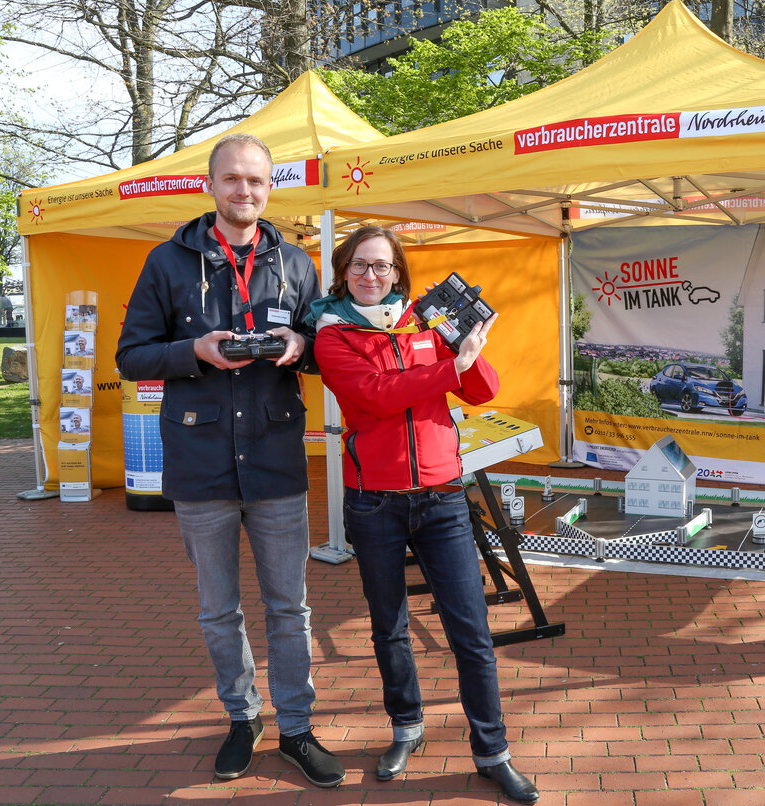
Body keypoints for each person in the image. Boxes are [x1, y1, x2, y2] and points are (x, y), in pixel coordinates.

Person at [115, 133, 344, 788]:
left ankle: (296, 728)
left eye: (257, 182)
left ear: (270, 188)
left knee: (289, 607)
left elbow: (328, 351)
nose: (245, 191)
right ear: (210, 185)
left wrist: (301, 342)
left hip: (275, 461)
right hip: (201, 463)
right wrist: (197, 351)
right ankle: (242, 718)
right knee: (218, 609)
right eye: (233, 180)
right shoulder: (168, 262)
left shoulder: (295, 264)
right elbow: (130, 357)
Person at [312, 226, 539, 804]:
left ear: (398, 272)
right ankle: (406, 726)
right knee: (389, 626)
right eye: (361, 266)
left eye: (383, 266)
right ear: (344, 272)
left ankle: (493, 753)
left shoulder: (426, 322)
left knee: (470, 630)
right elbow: (375, 395)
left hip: (441, 499)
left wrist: (471, 353)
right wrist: (449, 366)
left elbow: (481, 391)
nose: (372, 276)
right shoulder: (332, 335)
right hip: (373, 502)